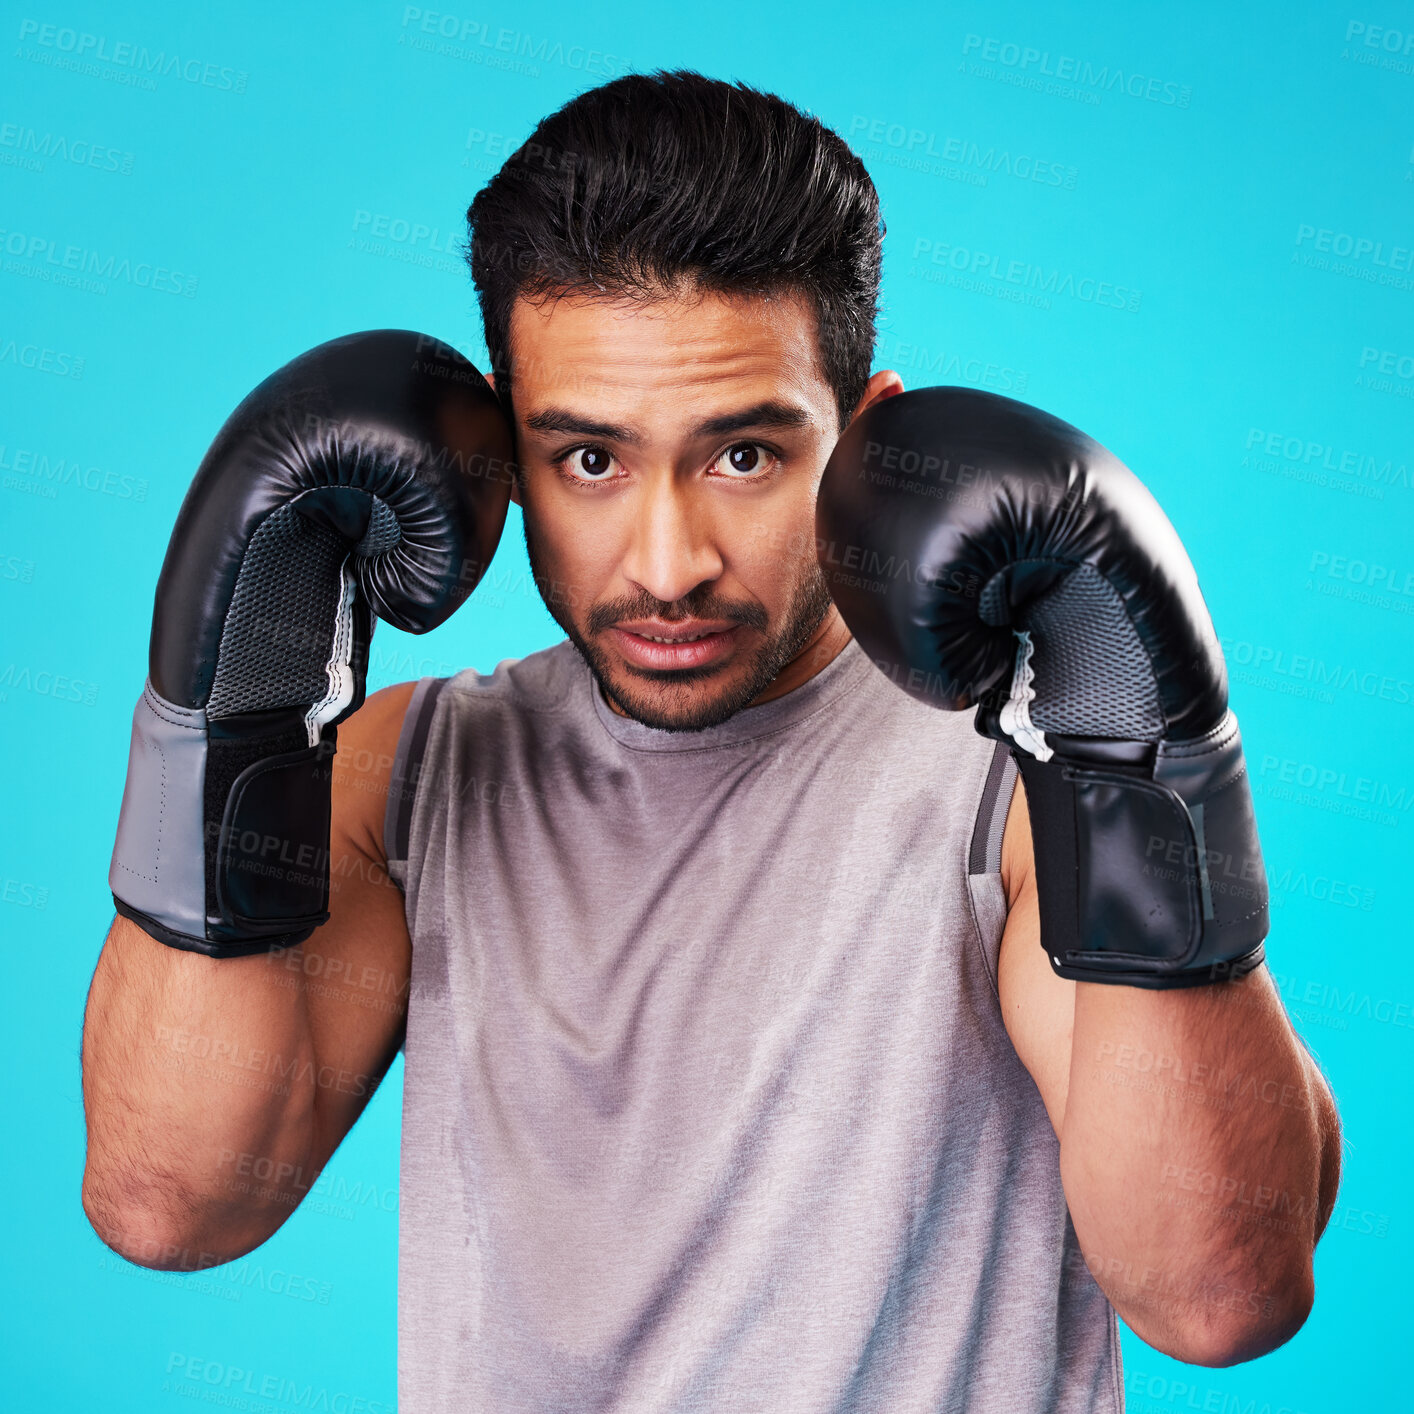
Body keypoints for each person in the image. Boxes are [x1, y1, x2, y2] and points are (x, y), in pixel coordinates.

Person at [83, 70, 1341, 1413]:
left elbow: (1217, 1289)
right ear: (499, 457)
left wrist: (1135, 759)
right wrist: (236, 702)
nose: (668, 562)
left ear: (867, 438)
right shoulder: (407, 778)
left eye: (740, 455)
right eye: (588, 460)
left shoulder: (1020, 793)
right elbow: (172, 1202)